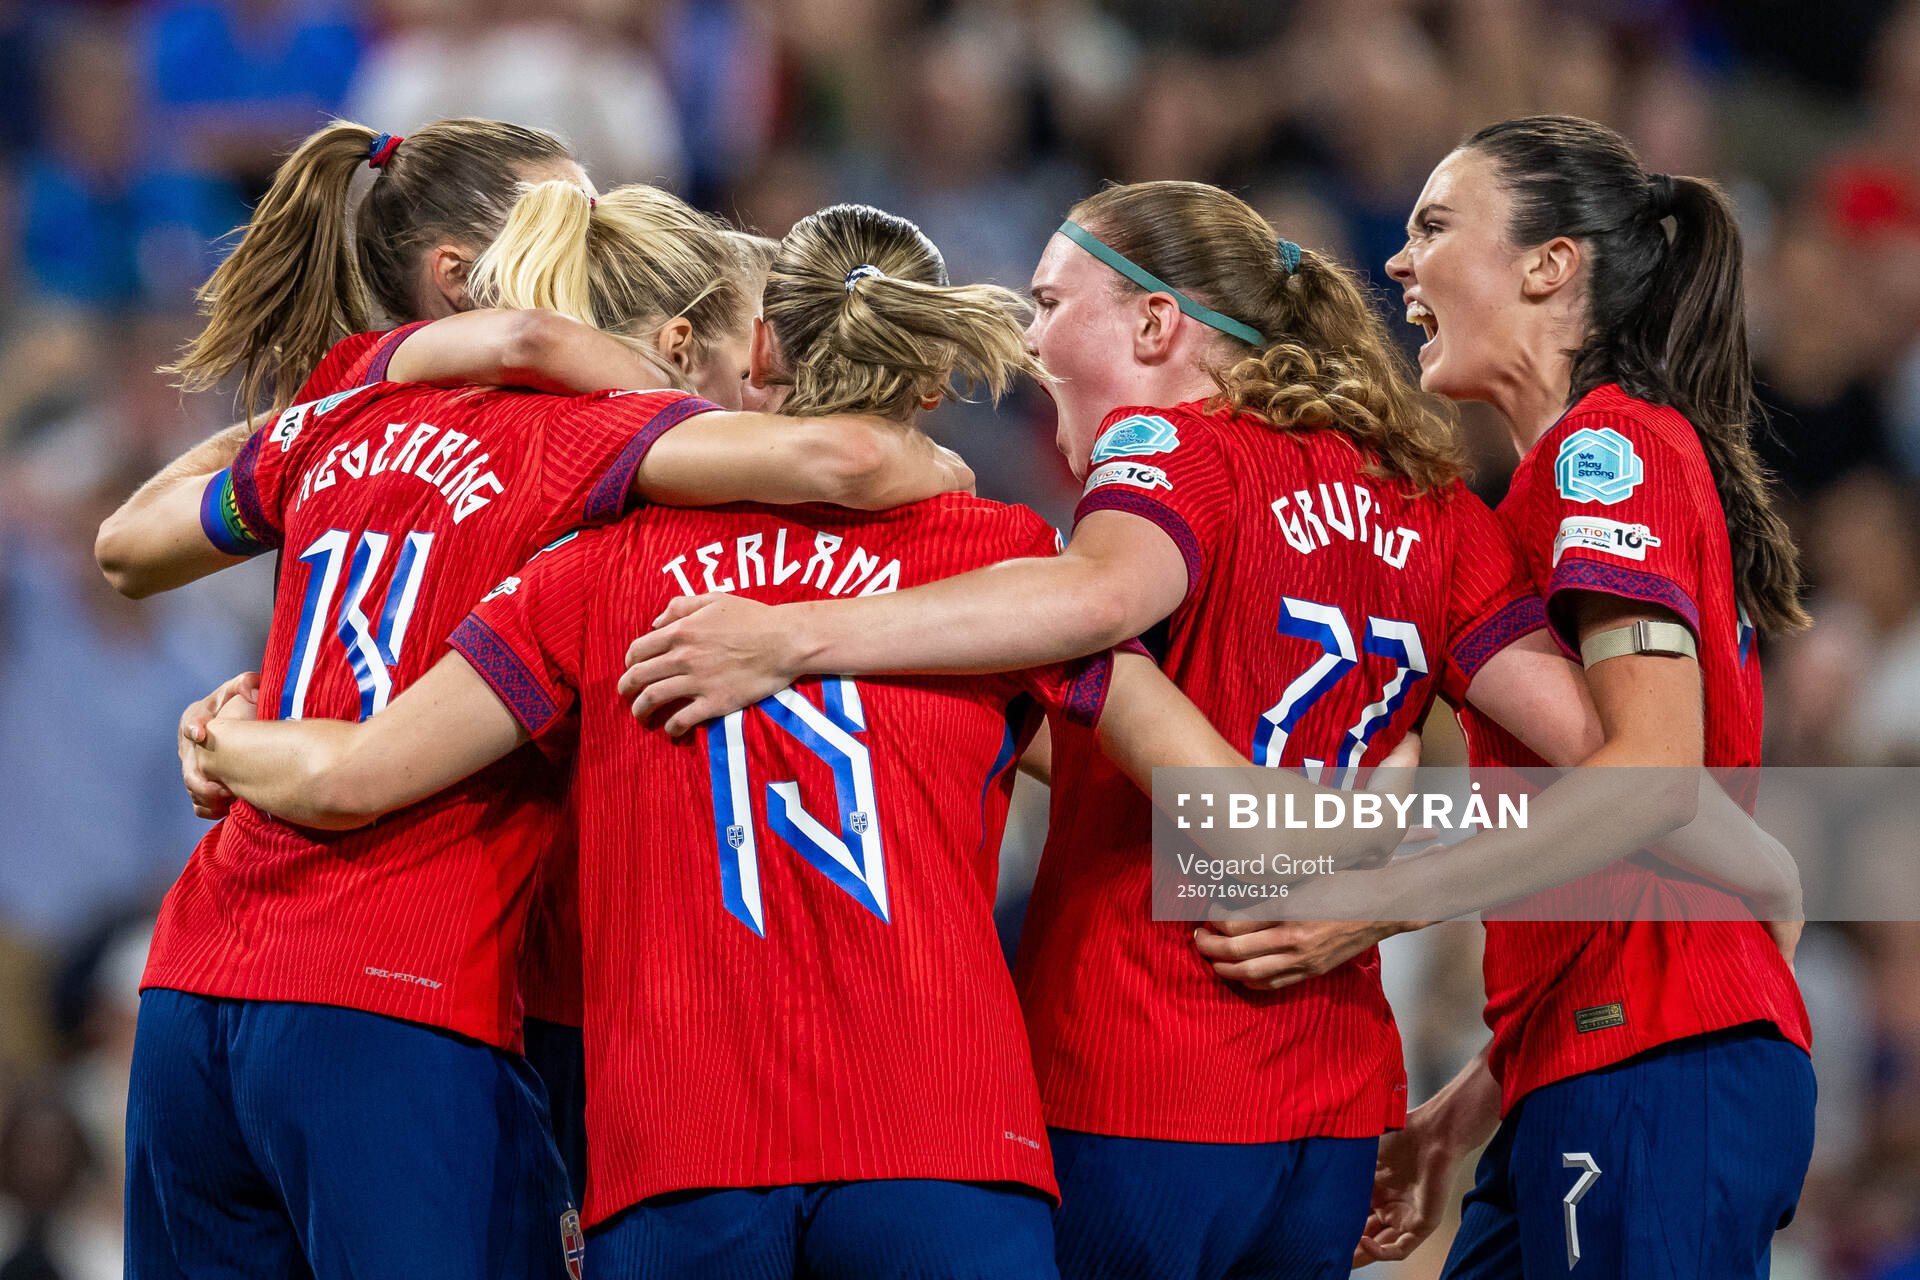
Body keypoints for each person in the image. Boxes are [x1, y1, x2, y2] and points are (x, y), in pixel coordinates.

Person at [616, 180, 1626, 1280]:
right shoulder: (1433, 502)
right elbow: (1602, 769)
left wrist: (793, 637)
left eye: (1052, 301)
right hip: (1329, 1108)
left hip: (1143, 1061)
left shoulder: (1174, 449)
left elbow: (1096, 603)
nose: (1032, 334)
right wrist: (1389, 880)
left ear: (1155, 323)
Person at [115, 183, 971, 1280]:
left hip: (266, 987)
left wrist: (241, 736)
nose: (758, 386)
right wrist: (1259, 881)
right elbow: (1109, 745)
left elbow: (130, 551)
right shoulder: (966, 548)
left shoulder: (560, 545)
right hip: (920, 1137)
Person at [1326, 115, 1812, 1277]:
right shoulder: (1558, 480)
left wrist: (1384, 901)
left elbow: (1646, 779)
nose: (1398, 263)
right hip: (1584, 1058)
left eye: (1434, 226)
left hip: (1657, 1058)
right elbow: (1623, 853)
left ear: (1554, 265)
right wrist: (1467, 1106)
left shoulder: (1613, 453)